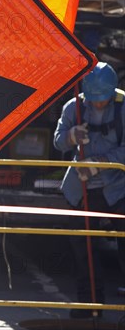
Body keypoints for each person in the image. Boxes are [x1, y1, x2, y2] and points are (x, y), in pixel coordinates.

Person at [53, 62, 125, 319]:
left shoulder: (123, 108)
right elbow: (58, 141)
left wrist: (100, 164)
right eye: (94, 100)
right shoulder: (73, 107)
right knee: (83, 247)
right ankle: (89, 304)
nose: (97, 105)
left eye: (102, 100)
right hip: (81, 187)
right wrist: (72, 135)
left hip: (118, 187)